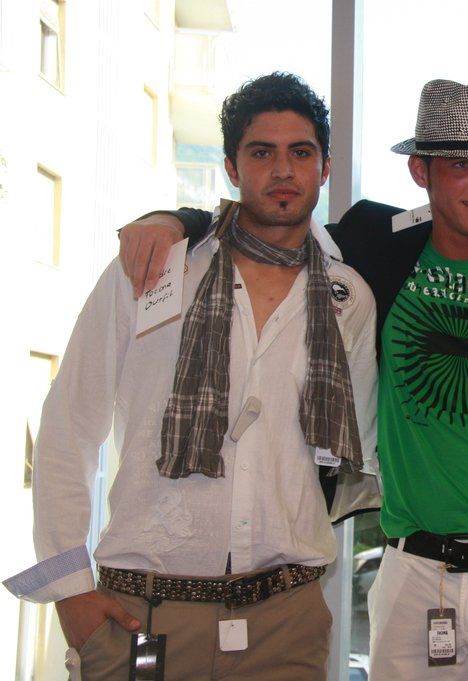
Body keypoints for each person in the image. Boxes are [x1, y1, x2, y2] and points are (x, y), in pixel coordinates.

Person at [115, 76, 468, 681]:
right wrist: (175, 219)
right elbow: (272, 221)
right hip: (411, 577)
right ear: (420, 171)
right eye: (462, 164)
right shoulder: (375, 239)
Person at [3, 72, 379, 681]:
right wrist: (69, 590)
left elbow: (348, 451)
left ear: (325, 167)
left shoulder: (348, 296)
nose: (283, 170)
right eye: (262, 153)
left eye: (300, 152)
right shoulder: (152, 268)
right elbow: (70, 425)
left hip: (285, 621)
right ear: (232, 167)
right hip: (143, 612)